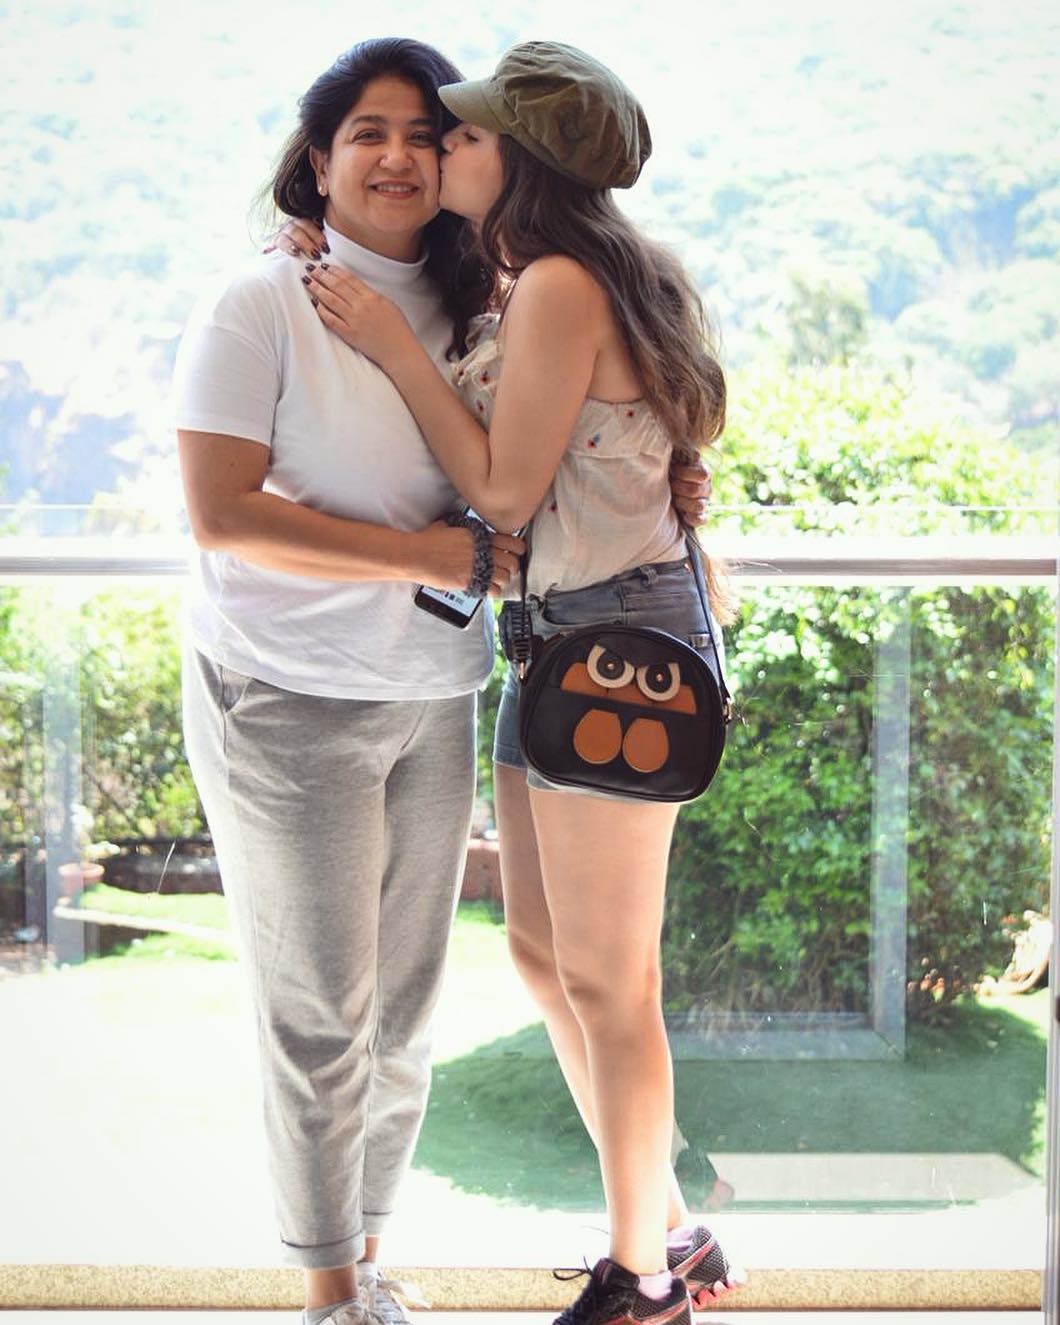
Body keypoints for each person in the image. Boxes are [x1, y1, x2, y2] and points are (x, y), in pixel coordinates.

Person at [174, 37, 712, 1325]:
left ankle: (646, 1265)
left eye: (445, 133)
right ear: (317, 162)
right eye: (375, 133)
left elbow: (513, 485)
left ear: (515, 160)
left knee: (575, 980)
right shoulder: (318, 296)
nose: (419, 153)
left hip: (562, 654)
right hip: (464, 658)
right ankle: (625, 1235)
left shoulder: (527, 287)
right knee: (521, 963)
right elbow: (222, 511)